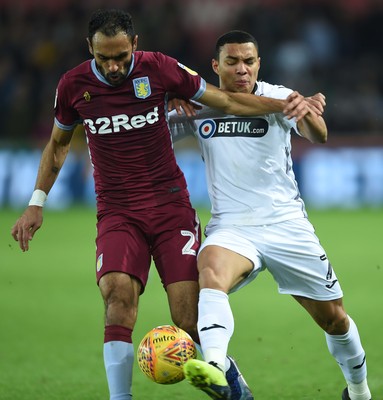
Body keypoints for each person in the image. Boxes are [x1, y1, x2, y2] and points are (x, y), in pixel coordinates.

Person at [10, 11, 308, 400]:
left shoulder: (161, 69)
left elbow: (226, 102)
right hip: (117, 212)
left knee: (187, 317)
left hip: (170, 208)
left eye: (121, 56)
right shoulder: (72, 86)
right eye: (104, 58)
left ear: (135, 45)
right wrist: (37, 202)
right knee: (117, 297)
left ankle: (233, 385)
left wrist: (283, 106)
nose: (113, 66)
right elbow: (59, 144)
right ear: (90, 50)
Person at [169, 30, 373, 400]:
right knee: (210, 271)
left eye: (249, 61)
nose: (241, 69)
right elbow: (147, 127)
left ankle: (358, 391)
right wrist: (167, 97)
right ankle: (216, 368)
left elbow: (319, 134)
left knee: (335, 320)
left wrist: (306, 114)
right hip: (231, 227)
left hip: (286, 225)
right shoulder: (197, 106)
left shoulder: (279, 97)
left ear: (258, 63)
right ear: (216, 66)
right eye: (232, 62)